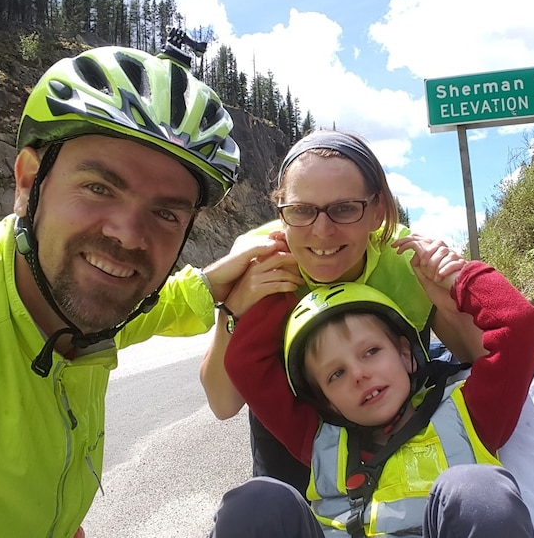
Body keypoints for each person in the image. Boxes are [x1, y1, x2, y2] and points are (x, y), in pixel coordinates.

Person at [0, 46, 275, 538]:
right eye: (99, 187)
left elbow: (161, 307)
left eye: (166, 213)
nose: (128, 235)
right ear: (28, 181)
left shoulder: (88, 308)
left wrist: (212, 285)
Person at [199, 129, 479, 494]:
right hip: (293, 458)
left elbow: (478, 360)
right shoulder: (259, 259)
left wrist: (451, 292)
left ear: (377, 211)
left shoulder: (407, 259)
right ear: (281, 211)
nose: (322, 230)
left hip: (410, 449)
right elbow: (223, 404)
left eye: (344, 208)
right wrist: (233, 309)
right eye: (301, 210)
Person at [212, 248, 534, 537]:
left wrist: (460, 279)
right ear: (327, 401)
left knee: (479, 490)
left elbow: (520, 327)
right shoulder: (317, 439)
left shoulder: (469, 413)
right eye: (336, 374)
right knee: (257, 501)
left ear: (404, 354)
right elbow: (246, 365)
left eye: (371, 351)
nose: (359, 374)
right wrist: (288, 277)